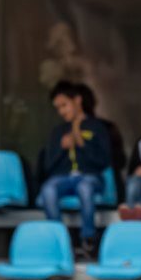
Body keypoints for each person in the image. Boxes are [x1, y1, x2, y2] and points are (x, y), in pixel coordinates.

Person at [37, 80, 111, 258]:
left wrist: (81, 144)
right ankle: (59, 240)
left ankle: (88, 239)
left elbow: (104, 161)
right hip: (63, 179)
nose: (62, 111)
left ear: (77, 100)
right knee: (48, 189)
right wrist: (62, 149)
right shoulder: (58, 131)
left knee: (84, 188)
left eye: (64, 105)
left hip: (90, 178)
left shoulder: (97, 127)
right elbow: (47, 167)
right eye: (58, 108)